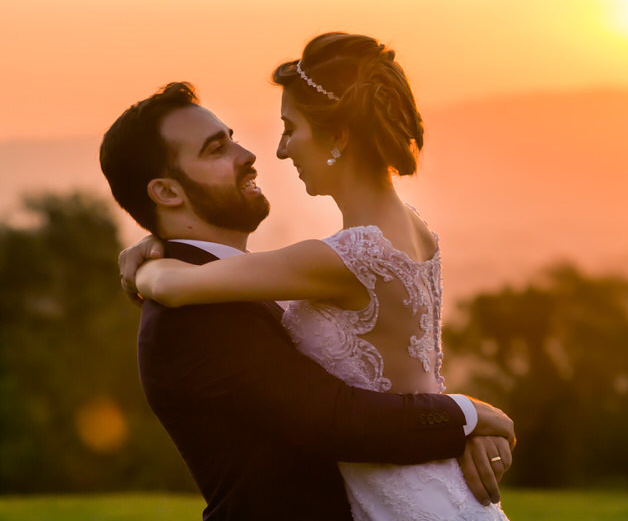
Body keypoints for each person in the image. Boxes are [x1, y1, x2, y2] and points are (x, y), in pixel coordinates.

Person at [100, 61, 514, 520]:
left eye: (232, 137)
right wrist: (466, 417)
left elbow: (372, 375)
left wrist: (461, 429)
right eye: (217, 149)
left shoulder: (225, 283)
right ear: (167, 192)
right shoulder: (191, 319)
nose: (249, 154)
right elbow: (337, 419)